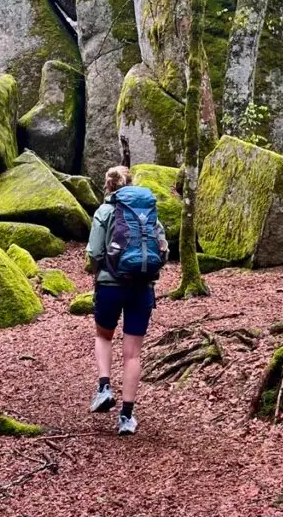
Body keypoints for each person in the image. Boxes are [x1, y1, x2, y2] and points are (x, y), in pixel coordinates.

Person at [86, 165, 168, 436]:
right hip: (141, 288)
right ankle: (126, 416)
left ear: (108, 187)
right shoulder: (147, 213)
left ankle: (104, 388)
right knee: (133, 353)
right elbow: (162, 249)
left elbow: (94, 252)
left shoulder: (104, 212)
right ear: (131, 185)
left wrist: (99, 271)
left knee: (104, 337)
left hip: (109, 287)